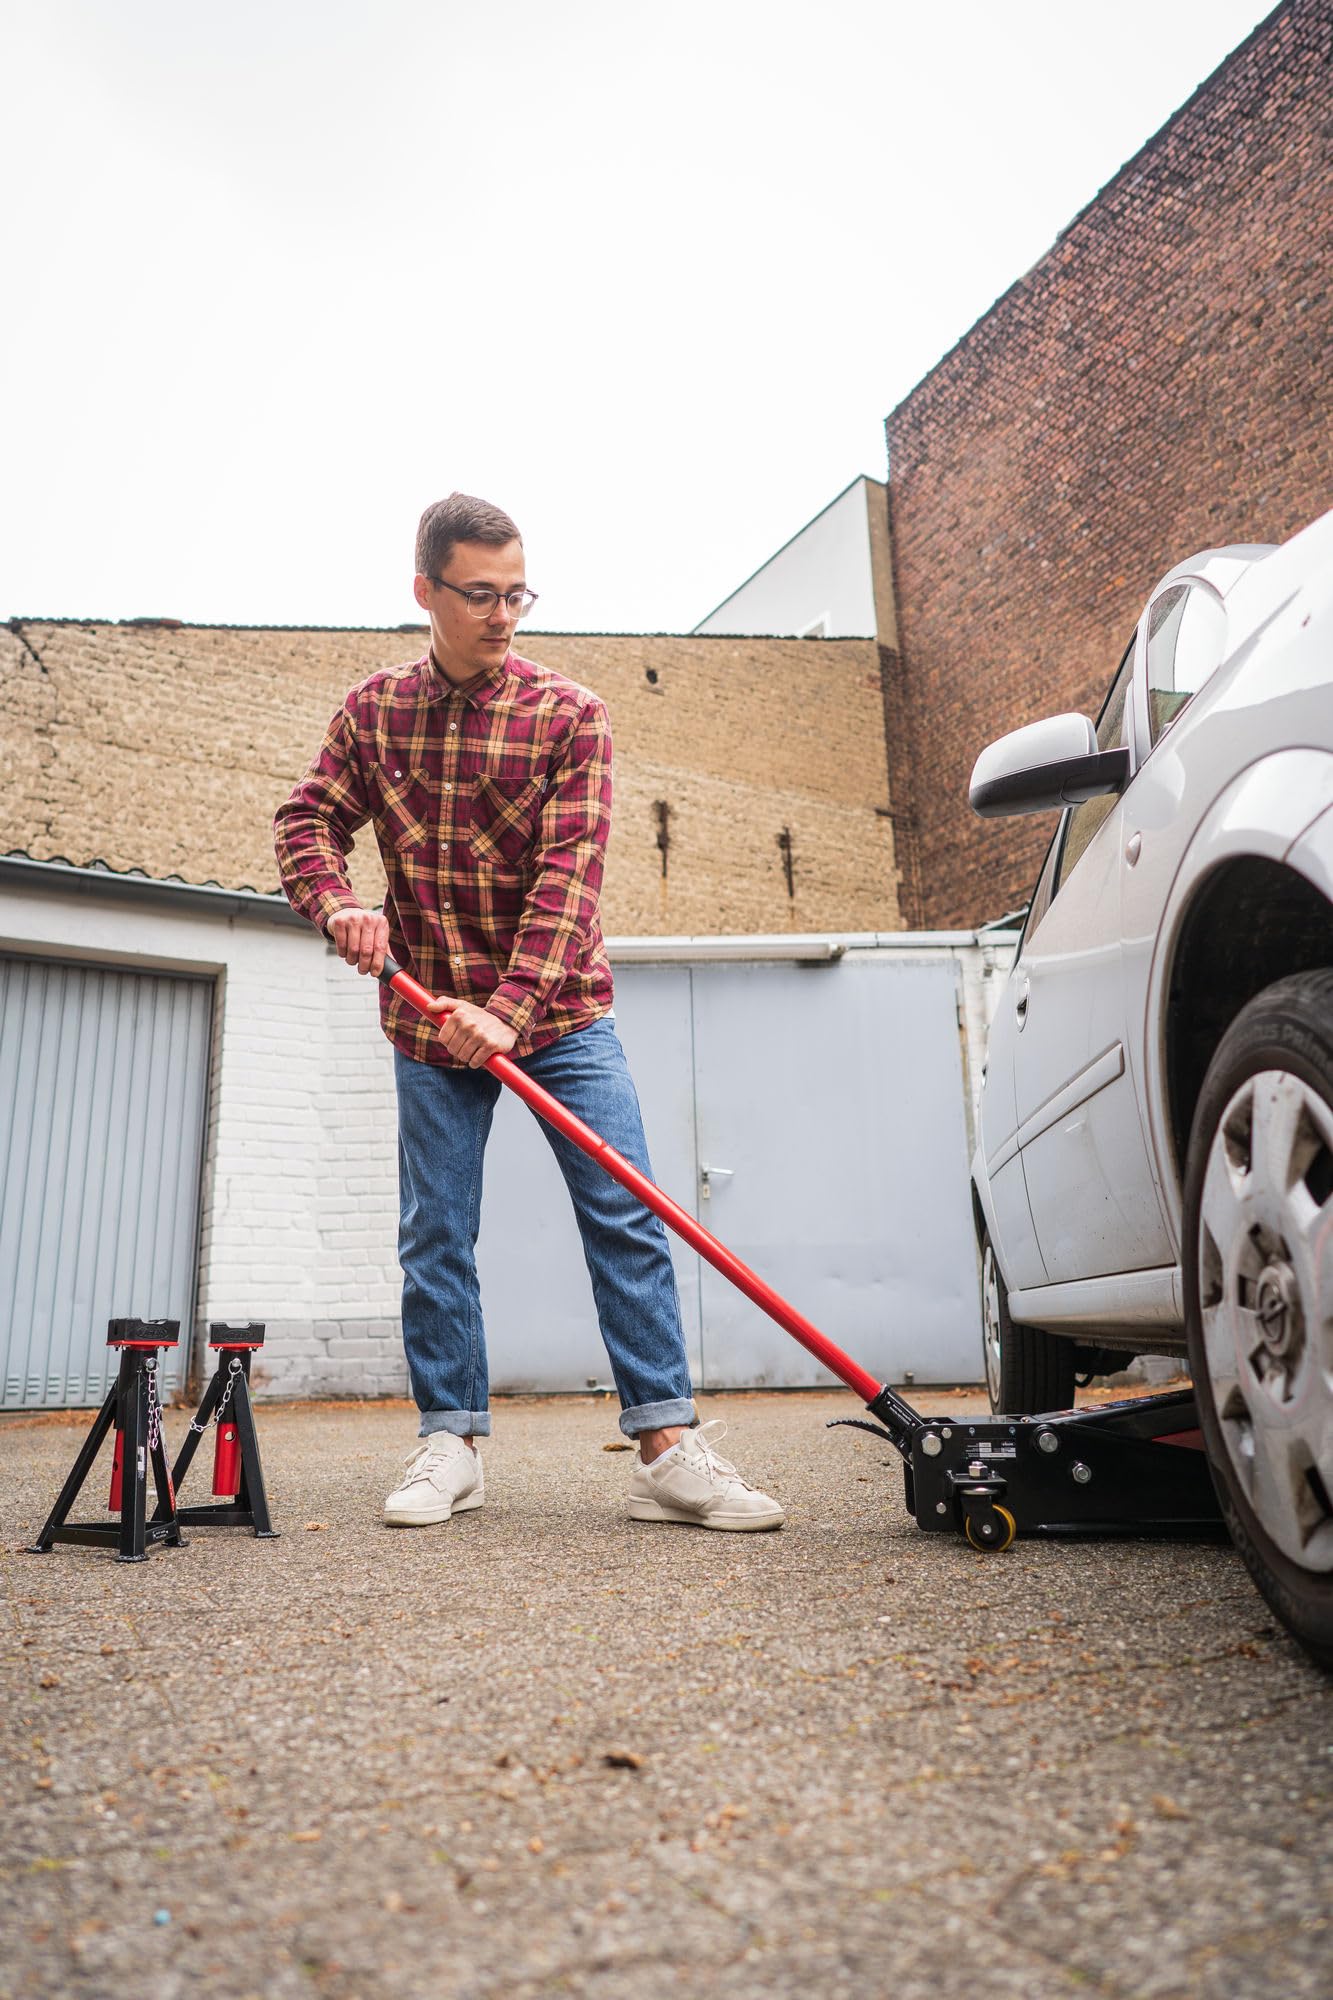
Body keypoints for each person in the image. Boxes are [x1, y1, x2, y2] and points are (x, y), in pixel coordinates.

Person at [274, 492, 784, 1533]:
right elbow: (306, 820)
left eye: (517, 594)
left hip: (561, 1016)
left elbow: (568, 882)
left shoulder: (569, 716)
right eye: (479, 594)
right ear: (425, 591)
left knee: (623, 1210)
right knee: (435, 1232)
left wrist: (507, 1009)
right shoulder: (374, 713)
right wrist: (336, 903)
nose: (502, 615)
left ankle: (665, 1446)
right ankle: (450, 1442)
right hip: (429, 1019)